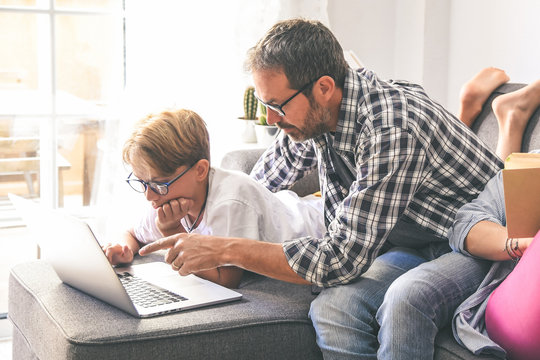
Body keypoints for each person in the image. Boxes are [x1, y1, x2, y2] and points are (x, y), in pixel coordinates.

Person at [139, 19, 502, 359]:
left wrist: (226, 248)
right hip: (412, 242)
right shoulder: (315, 115)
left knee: (405, 302)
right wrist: (196, 203)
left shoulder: (390, 129)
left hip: (475, 242)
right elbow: (257, 186)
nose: (271, 119)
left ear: (324, 88)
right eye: (265, 105)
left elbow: (340, 260)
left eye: (277, 105)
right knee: (332, 308)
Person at [103, 108, 325, 288]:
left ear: (200, 171)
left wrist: (172, 232)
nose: (149, 195)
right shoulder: (165, 197)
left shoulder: (231, 201)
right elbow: (132, 233)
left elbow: (226, 280)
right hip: (288, 204)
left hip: (319, 225)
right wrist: (122, 248)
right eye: (142, 183)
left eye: (158, 183)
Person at [449, 77, 540, 359]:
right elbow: (464, 223)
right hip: (511, 311)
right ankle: (511, 116)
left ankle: (512, 117)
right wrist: (519, 244)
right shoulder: (532, 168)